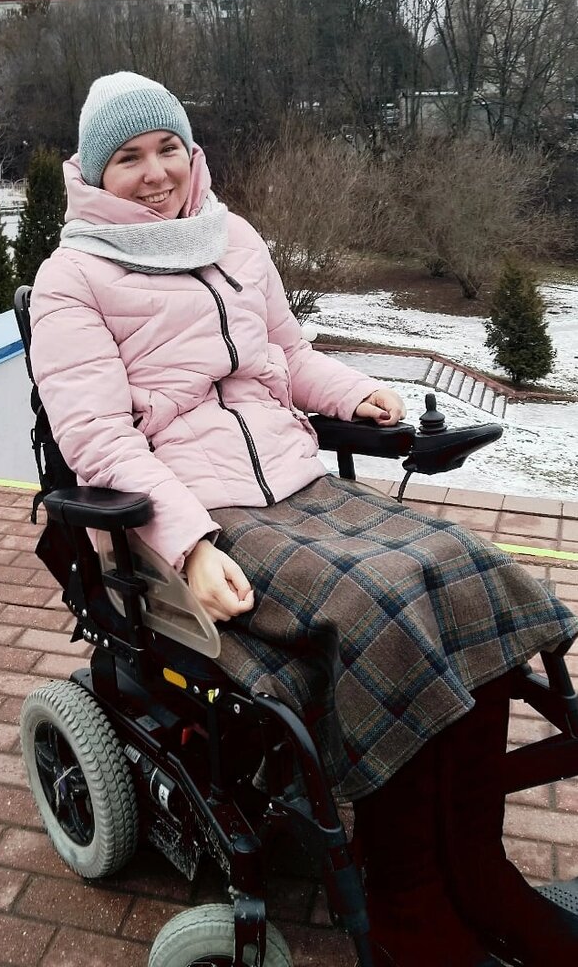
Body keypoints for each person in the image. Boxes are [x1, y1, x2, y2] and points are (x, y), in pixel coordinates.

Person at [30, 72, 578, 967]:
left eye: (168, 148)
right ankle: (407, 907)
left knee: (466, 571)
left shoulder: (233, 237)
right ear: (95, 174)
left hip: (298, 482)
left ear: (192, 152)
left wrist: (355, 393)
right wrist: (189, 545)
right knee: (384, 605)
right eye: (128, 158)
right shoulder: (73, 277)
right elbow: (97, 440)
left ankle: (478, 869)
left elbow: (287, 357)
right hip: (200, 507)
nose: (156, 172)